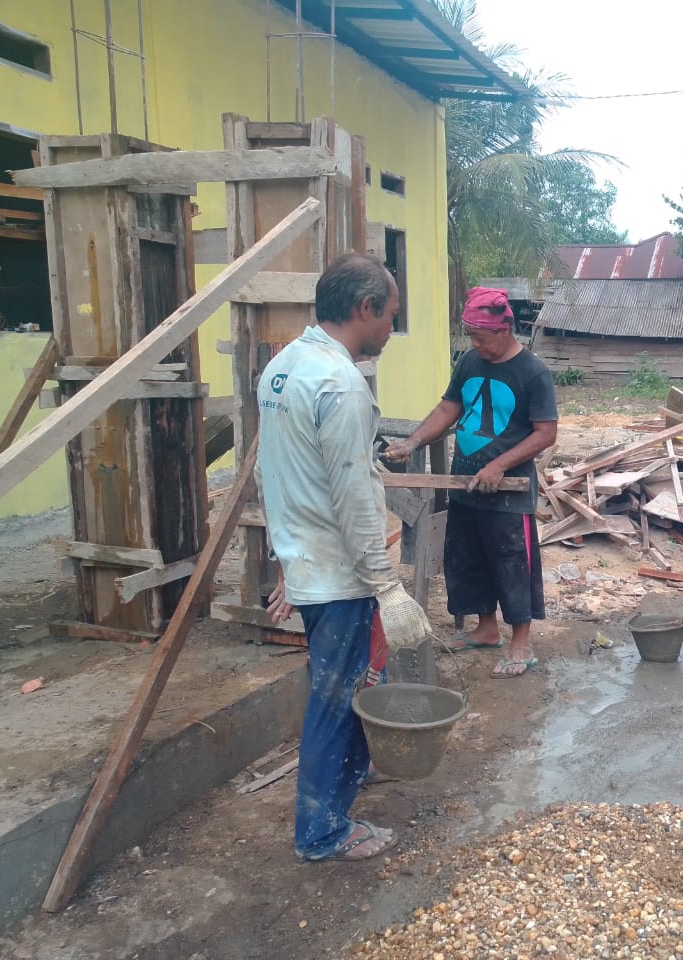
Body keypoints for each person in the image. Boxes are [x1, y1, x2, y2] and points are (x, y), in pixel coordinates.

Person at [256, 253, 430, 862]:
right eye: (391, 316)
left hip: (308, 562)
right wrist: (385, 584)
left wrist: (283, 557)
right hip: (338, 573)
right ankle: (323, 831)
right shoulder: (340, 383)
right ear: (364, 309)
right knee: (335, 697)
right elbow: (355, 495)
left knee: (350, 685)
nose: (390, 330)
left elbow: (272, 474)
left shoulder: (283, 368)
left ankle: (348, 785)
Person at [386, 287, 557, 679]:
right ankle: (485, 629)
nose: (474, 344)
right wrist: (413, 441)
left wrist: (499, 465)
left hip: (509, 493)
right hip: (465, 481)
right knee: (470, 558)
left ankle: (521, 643)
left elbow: (545, 433)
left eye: (480, 337)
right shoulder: (469, 362)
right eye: (471, 337)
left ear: (504, 329)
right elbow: (449, 407)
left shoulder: (534, 373)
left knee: (512, 564)